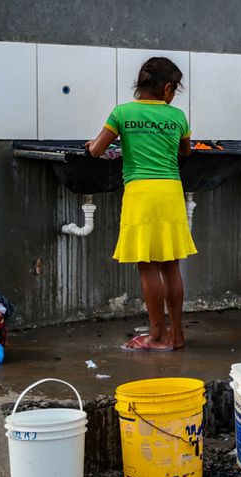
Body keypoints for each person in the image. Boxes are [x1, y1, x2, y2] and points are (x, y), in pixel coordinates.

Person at [85, 57, 196, 350]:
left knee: (147, 266)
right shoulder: (177, 117)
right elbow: (185, 151)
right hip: (171, 191)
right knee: (171, 265)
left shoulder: (122, 113)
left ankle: (157, 336)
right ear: (168, 87)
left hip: (140, 193)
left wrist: (98, 146)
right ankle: (178, 333)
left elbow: (96, 150)